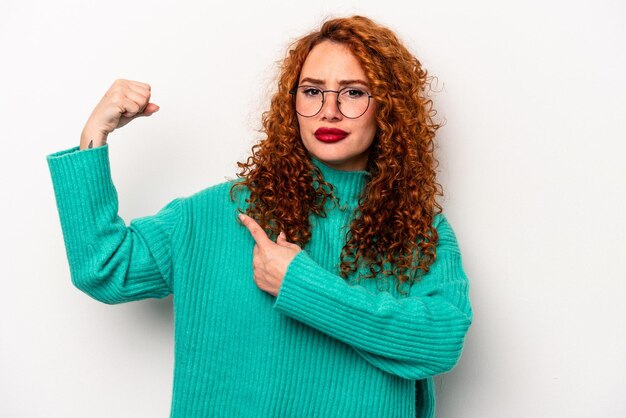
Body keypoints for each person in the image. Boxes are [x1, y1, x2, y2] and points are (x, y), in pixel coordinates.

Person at [47, 15, 472, 418]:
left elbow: (441, 341)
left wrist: (301, 285)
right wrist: (94, 134)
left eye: (354, 92)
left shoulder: (418, 229)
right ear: (292, 105)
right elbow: (103, 267)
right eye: (312, 91)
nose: (329, 110)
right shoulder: (221, 212)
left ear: (389, 108)